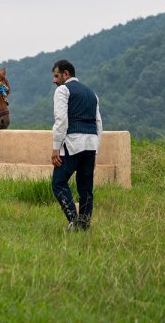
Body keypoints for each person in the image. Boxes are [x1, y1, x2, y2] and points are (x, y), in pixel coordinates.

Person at [51, 59, 102, 232]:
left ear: (66, 74)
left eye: (57, 76)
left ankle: (73, 220)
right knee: (86, 189)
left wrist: (55, 148)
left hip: (72, 143)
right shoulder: (92, 94)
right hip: (91, 144)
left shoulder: (62, 91)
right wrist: (95, 153)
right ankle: (85, 225)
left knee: (58, 183)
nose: (54, 80)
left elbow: (61, 120)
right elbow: (98, 124)